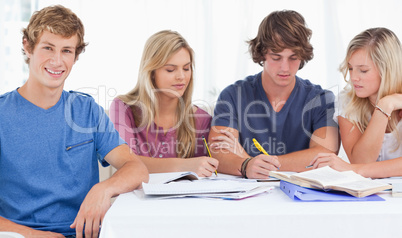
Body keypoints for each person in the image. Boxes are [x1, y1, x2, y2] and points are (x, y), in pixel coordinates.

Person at [0, 5, 148, 238]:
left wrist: (103, 189)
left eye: (67, 51)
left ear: (76, 56)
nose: (57, 61)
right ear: (27, 47)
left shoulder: (87, 111)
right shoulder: (2, 115)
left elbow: (137, 169)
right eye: (48, 48)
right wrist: (33, 235)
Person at [209, 10, 339, 179]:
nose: (285, 67)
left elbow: (325, 154)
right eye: (276, 57)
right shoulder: (233, 95)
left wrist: (250, 162)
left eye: (293, 57)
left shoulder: (321, 99)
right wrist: (248, 165)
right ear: (262, 53)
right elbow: (219, 152)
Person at [109, 30, 219, 177]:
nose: (181, 76)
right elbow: (127, 163)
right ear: (151, 72)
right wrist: (186, 165)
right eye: (170, 69)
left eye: (186, 68)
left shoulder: (202, 119)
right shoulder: (123, 108)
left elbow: (211, 167)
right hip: (135, 199)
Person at [310, 27, 402, 178]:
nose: (353, 77)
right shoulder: (347, 101)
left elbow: (358, 167)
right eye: (351, 68)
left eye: (363, 70)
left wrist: (353, 169)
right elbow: (362, 160)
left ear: (387, 70)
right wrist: (384, 106)